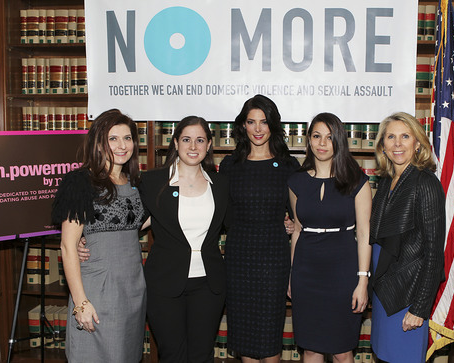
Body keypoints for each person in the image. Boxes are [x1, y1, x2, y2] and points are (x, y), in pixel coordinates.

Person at [52, 109, 147, 363]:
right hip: (97, 291)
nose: (121, 145)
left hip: (133, 290)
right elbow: (68, 246)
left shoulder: (136, 182)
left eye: (127, 138)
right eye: (113, 138)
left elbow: (141, 221)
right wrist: (81, 303)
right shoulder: (81, 182)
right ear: (98, 142)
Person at [139, 116, 229, 362]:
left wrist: (285, 224)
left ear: (209, 145)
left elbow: (237, 224)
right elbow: (129, 223)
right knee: (172, 355)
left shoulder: (220, 184)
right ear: (175, 142)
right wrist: (86, 240)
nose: (193, 146)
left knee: (201, 355)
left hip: (209, 286)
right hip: (165, 284)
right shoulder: (153, 181)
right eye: (186, 140)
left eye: (200, 140)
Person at [219, 94, 300, 362]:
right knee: (244, 335)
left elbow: (301, 217)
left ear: (273, 125)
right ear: (242, 125)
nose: (257, 129)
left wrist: (291, 225)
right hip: (239, 257)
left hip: (274, 258)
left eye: (263, 122)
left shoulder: (289, 166)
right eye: (251, 122)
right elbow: (221, 214)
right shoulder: (229, 166)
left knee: (269, 335)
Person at [287, 113, 371, 363]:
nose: (322, 143)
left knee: (342, 350)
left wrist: (363, 281)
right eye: (316, 136)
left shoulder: (357, 181)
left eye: (329, 137)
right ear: (309, 140)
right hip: (306, 272)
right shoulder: (296, 182)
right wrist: (292, 274)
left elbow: (365, 233)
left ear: (339, 141)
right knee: (311, 349)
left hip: (343, 272)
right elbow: (298, 230)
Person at [369, 112, 445, 363]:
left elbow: (434, 253)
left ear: (418, 143)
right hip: (383, 289)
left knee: (403, 357)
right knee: (384, 355)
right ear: (382, 145)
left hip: (407, 295)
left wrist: (419, 308)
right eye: (391, 137)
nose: (397, 144)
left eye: (405, 136)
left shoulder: (426, 183)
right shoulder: (388, 181)